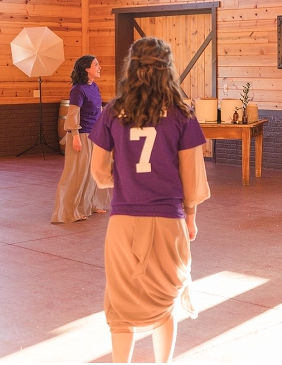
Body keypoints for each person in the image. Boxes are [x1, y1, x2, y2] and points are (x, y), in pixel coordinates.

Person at [89, 37, 210, 363]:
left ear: (132, 66)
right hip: (168, 221)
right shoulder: (183, 113)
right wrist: (191, 218)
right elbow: (193, 177)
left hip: (123, 221)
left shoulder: (112, 111)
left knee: (120, 302)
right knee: (163, 303)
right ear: (167, 68)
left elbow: (98, 172)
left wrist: (124, 180)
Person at [51, 55, 109, 223]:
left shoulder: (94, 86)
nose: (99, 67)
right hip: (81, 136)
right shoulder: (78, 89)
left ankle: (88, 205)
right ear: (86, 69)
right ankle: (68, 211)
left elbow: (96, 110)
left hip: (95, 135)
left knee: (93, 173)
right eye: (96, 65)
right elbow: (73, 114)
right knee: (77, 174)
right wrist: (75, 136)